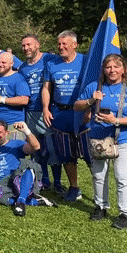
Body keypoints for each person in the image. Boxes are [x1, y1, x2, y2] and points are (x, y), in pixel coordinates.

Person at [75, 54, 127, 229]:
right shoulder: (95, 86)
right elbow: (77, 105)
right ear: (103, 70)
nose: (112, 70)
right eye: (108, 67)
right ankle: (100, 206)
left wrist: (115, 120)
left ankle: (124, 213)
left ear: (123, 69)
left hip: (122, 138)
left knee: (123, 177)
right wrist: (91, 100)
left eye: (116, 66)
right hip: (97, 138)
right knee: (99, 176)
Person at [42, 30, 86, 201]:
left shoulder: (85, 61)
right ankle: (74, 188)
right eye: (59, 44)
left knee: (89, 154)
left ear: (74, 44)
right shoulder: (52, 64)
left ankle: (100, 191)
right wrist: (46, 108)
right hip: (59, 113)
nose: (60, 47)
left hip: (81, 113)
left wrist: (90, 109)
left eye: (64, 44)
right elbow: (46, 88)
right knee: (67, 153)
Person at [19, 34, 63, 191]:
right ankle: (42, 179)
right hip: (30, 112)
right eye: (23, 46)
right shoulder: (23, 68)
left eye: (29, 45)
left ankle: (57, 182)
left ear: (38, 44)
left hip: (48, 111)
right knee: (37, 149)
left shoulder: (50, 59)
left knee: (52, 148)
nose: (26, 48)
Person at [0, 121, 43, 216]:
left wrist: (26, 131)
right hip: (3, 184)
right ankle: (35, 201)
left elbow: (36, 147)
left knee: (28, 164)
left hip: (19, 180)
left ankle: (21, 201)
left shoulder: (17, 144)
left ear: (7, 133)